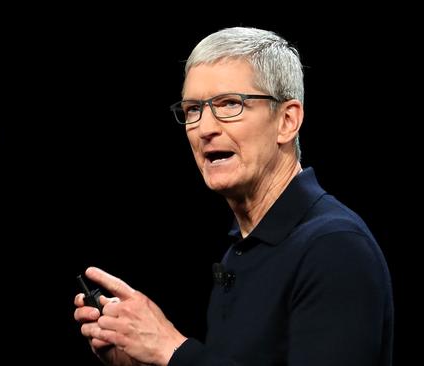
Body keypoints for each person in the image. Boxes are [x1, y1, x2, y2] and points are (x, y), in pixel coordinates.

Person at [73, 27, 393, 366]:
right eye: (193, 109)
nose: (205, 128)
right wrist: (149, 361)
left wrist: (172, 350)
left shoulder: (334, 246)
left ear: (287, 121)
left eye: (230, 104)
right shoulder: (240, 251)